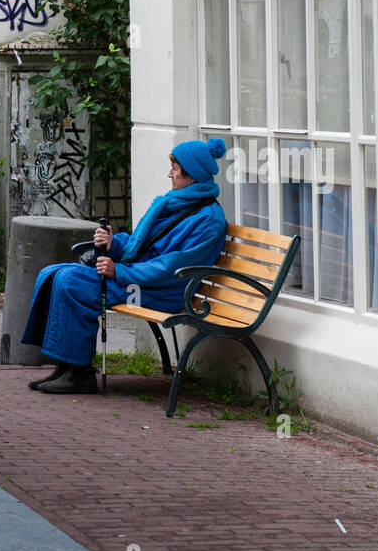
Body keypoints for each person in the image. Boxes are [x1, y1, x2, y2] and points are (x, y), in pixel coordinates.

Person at [21, 137, 229, 394]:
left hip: (165, 292)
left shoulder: (209, 220)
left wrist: (119, 271)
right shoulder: (175, 203)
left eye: (175, 168)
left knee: (71, 281)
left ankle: (79, 373)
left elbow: (171, 268)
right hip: (143, 281)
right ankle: (65, 367)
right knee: (51, 273)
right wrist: (112, 245)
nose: (169, 174)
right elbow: (141, 244)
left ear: (193, 174)